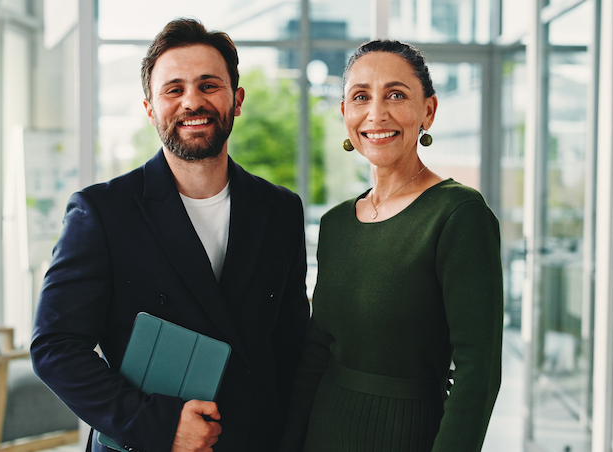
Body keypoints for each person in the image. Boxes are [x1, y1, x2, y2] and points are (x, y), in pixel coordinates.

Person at [31, 18, 310, 452]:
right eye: (173, 89)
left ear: (236, 100)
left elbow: (291, 346)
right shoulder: (101, 211)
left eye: (208, 85)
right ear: (149, 108)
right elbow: (55, 347)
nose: (192, 102)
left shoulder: (280, 210)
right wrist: (156, 424)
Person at [279, 40, 503, 452]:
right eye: (361, 97)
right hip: (324, 433)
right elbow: (317, 352)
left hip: (409, 436)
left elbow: (478, 369)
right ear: (345, 112)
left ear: (428, 111)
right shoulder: (336, 223)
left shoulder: (459, 214)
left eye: (396, 95)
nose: (376, 113)